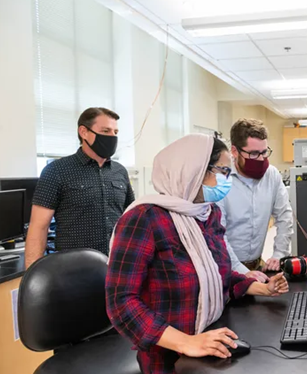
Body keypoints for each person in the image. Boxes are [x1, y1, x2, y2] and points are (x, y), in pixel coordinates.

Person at [106, 134, 289, 374]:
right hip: (168, 357)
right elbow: (121, 302)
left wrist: (260, 287)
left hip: (212, 338)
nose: (227, 180)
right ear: (193, 170)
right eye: (222, 171)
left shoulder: (206, 213)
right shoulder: (144, 219)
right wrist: (187, 342)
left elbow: (218, 273)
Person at [25, 107, 134, 268]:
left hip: (117, 265)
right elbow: (38, 227)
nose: (112, 137)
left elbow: (131, 217)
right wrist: (31, 276)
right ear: (84, 132)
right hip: (74, 270)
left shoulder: (120, 172)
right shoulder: (56, 171)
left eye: (115, 132)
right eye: (106, 131)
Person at [217, 118, 293, 283]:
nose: (260, 159)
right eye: (253, 153)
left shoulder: (271, 175)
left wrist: (279, 254)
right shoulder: (220, 180)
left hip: (258, 265)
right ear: (235, 152)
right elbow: (217, 234)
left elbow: (284, 215)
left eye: (264, 152)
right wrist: (240, 270)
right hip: (225, 269)